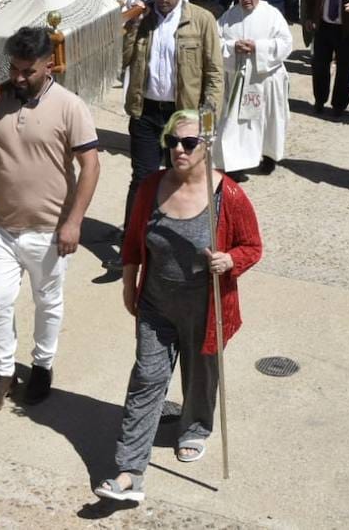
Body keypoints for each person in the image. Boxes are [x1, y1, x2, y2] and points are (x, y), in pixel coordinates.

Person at [94, 110, 262, 503]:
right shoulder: (152, 186)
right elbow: (135, 241)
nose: (179, 150)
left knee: (200, 376)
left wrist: (230, 261)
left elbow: (252, 246)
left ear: (207, 148)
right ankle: (129, 472)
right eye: (172, 142)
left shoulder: (229, 195)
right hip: (156, 303)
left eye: (189, 143)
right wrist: (128, 284)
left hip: (207, 308)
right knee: (147, 380)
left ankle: (195, 428)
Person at [0, 26, 101, 415]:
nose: (17, 78)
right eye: (13, 69)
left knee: (47, 303)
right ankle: (2, 374)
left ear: (48, 65)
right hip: (2, 227)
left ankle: (42, 367)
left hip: (49, 231)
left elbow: (90, 165)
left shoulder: (69, 106)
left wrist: (74, 222)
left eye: (26, 72)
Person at [121, 0, 224, 234]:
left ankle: (167, 237)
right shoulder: (143, 18)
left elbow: (214, 74)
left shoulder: (201, 21)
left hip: (182, 116)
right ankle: (131, 242)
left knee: (178, 177)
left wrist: (207, 119)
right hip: (145, 111)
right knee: (142, 178)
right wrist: (132, 27)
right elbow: (123, 59)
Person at [215, 0, 293, 180]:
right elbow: (216, 42)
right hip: (240, 80)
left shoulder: (272, 15)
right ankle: (236, 164)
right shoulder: (229, 16)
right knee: (237, 123)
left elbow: (285, 43)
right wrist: (233, 47)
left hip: (266, 78)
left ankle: (268, 157)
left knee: (269, 120)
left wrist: (258, 47)